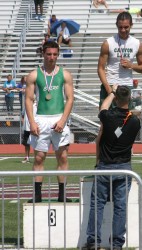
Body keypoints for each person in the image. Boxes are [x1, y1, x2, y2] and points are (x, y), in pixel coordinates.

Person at [86, 85, 141, 250]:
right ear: (129, 99)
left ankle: (93, 241)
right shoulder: (135, 121)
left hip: (104, 166)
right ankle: (117, 243)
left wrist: (111, 92)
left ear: (116, 99)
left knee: (97, 204)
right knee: (120, 206)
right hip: (124, 167)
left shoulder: (108, 116)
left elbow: (103, 107)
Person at [25, 40, 74, 203]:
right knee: (39, 157)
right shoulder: (34, 75)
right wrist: (32, 122)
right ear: (43, 54)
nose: (52, 57)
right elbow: (29, 100)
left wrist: (63, 120)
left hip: (59, 118)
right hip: (41, 119)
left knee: (63, 157)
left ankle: (61, 195)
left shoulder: (65, 74)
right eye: (48, 54)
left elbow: (70, 98)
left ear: (58, 55)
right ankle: (37, 195)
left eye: (54, 54)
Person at [98, 11, 142, 108]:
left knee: (127, 120)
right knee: (106, 119)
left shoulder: (137, 43)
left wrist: (131, 66)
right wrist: (108, 89)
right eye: (120, 27)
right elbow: (100, 68)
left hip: (127, 86)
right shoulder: (108, 43)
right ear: (116, 25)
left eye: (126, 27)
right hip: (111, 84)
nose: (123, 30)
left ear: (131, 25)